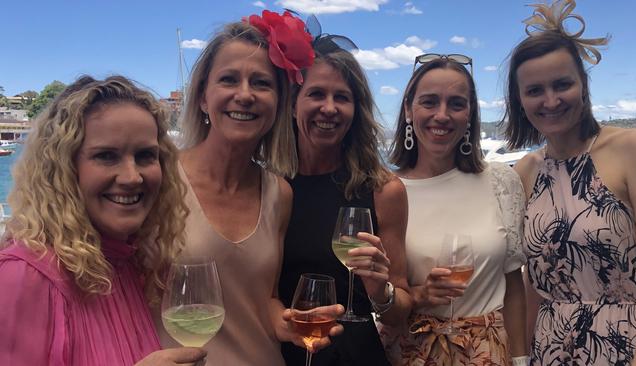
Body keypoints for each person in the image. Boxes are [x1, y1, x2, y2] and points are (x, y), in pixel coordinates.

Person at [152, 11, 343, 366]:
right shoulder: (158, 179)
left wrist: (286, 323)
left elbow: (264, 297)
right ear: (203, 98)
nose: (245, 95)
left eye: (261, 83)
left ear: (279, 103)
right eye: (229, 79)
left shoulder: (280, 194)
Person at [0, 75, 206, 365]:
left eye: (146, 155)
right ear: (64, 168)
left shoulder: (132, 265)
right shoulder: (25, 276)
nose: (132, 176)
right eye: (107, 156)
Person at [502, 0, 636, 364]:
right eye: (534, 90)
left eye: (562, 84)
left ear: (583, 86)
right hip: (548, 350)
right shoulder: (525, 171)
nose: (550, 100)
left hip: (627, 346)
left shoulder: (633, 148)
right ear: (520, 100)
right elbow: (534, 284)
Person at [385, 54, 528, 365]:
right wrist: (419, 294)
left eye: (456, 104)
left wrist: (521, 360)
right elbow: (380, 294)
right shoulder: (386, 191)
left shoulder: (500, 182)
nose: (442, 115)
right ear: (409, 110)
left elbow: (514, 284)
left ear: (470, 114)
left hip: (487, 354)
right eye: (429, 102)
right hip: (410, 354)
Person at [277, 38, 411, 366]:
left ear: (356, 110)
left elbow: (401, 311)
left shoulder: (383, 189)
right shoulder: (269, 186)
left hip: (355, 355)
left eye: (342, 97)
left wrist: (381, 293)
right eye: (316, 94)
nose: (330, 108)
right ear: (293, 105)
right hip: (279, 351)